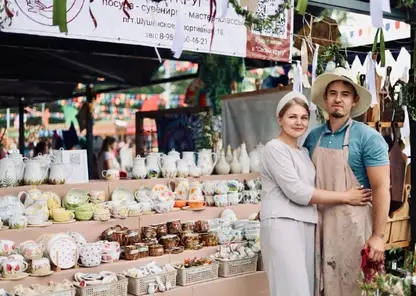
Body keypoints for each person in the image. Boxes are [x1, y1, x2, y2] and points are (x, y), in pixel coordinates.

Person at [259, 91, 372, 296]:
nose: (299, 122)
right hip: (282, 224)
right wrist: (345, 196)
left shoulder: (302, 152)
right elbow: (297, 191)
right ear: (279, 119)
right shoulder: (274, 148)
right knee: (292, 290)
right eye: (292, 117)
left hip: (306, 224)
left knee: (307, 289)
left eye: (303, 118)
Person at [303, 67, 390, 296]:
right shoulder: (313, 137)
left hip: (355, 229)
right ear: (325, 99)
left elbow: (381, 188)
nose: (338, 99)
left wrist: (378, 237)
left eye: (345, 94)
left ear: (354, 100)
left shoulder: (368, 137)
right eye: (332, 93)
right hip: (319, 228)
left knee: (355, 288)